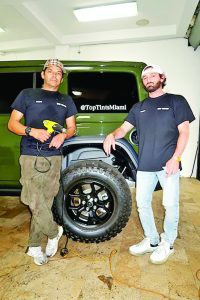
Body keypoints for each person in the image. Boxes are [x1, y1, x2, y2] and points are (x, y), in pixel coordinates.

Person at [103, 64, 195, 264]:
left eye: (153, 75)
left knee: (170, 204)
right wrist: (111, 135)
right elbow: (123, 129)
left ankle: (167, 243)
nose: (149, 79)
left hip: (168, 164)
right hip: (144, 166)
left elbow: (184, 132)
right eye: (145, 77)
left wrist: (176, 158)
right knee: (142, 204)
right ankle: (152, 240)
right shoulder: (139, 107)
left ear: (162, 78)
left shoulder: (176, 101)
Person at [8, 59, 77, 266]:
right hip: (30, 154)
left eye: (59, 73)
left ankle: (35, 246)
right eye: (51, 72)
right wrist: (31, 131)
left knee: (44, 203)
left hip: (54, 157)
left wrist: (63, 136)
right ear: (43, 74)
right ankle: (55, 232)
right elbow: (13, 124)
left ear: (62, 78)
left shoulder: (66, 100)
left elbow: (72, 128)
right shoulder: (27, 94)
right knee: (33, 200)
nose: (55, 76)